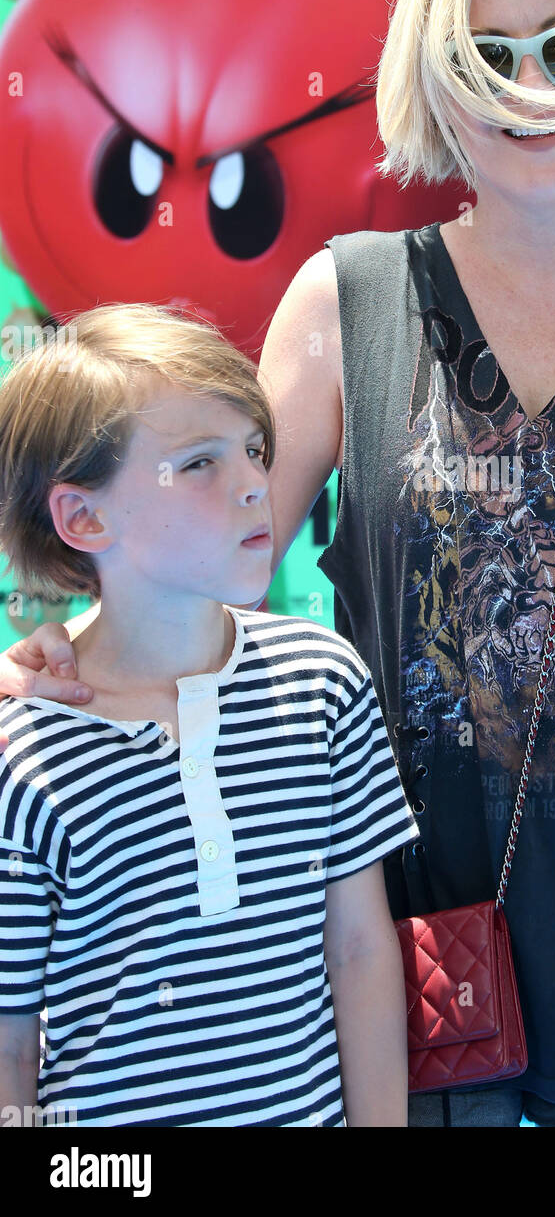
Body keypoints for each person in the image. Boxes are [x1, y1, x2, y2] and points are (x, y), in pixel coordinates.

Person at [0, 0, 555, 1128]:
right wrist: (59, 651)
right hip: (410, 968)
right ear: (433, 85)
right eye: (479, 55)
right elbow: (215, 548)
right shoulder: (348, 305)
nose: (525, 88)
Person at [0, 303, 419, 1127]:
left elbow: (362, 953)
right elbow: (10, 1043)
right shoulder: (24, 756)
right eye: (198, 463)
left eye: (254, 449)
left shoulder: (324, 683)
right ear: (85, 517)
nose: (258, 481)